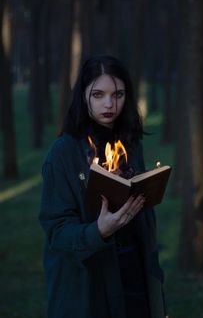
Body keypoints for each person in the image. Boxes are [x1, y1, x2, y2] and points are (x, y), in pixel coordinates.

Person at [39, 55, 168, 318]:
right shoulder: (62, 153)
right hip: (89, 287)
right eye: (98, 94)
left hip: (134, 276)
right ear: (83, 94)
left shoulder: (130, 144)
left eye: (118, 94)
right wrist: (99, 230)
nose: (109, 104)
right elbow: (57, 232)